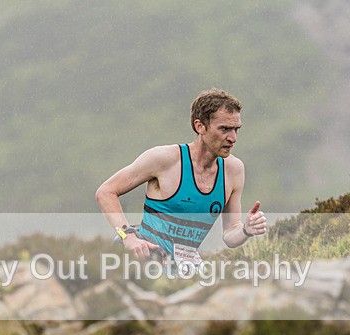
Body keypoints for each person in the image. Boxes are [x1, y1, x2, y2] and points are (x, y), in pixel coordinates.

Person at [96, 88, 267, 269]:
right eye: (224, 129)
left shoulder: (234, 170)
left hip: (181, 271)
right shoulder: (164, 159)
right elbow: (106, 192)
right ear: (199, 126)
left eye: (236, 129)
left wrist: (246, 229)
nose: (233, 138)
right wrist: (128, 237)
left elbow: (231, 234)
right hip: (139, 263)